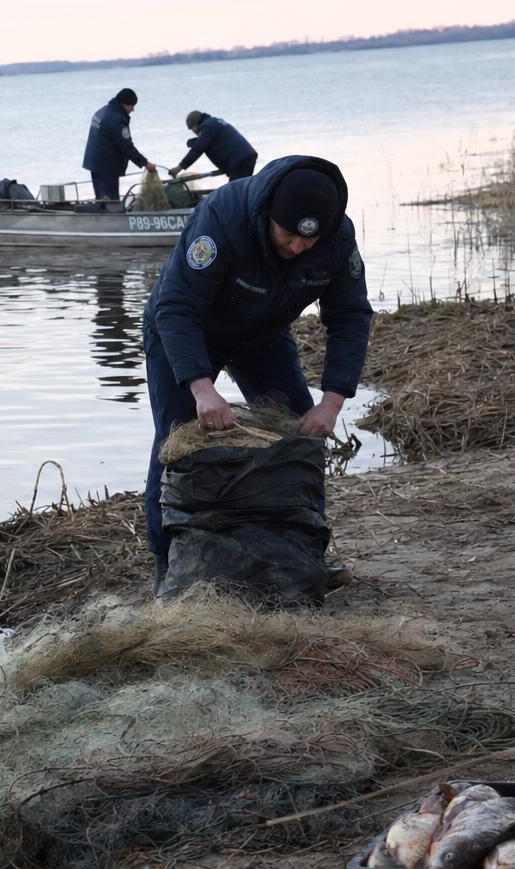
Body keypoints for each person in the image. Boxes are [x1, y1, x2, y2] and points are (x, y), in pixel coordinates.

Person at [141, 155, 373, 590]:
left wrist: (332, 400)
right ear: (268, 214)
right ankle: (166, 561)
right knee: (175, 440)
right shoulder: (222, 217)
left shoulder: (338, 238)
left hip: (262, 336)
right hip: (186, 330)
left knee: (300, 436)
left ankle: (305, 553)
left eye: (309, 240)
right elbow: (177, 306)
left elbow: (351, 317)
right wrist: (201, 388)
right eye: (289, 236)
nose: (298, 248)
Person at [82, 88, 156, 201]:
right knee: (110, 202)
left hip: (94, 162)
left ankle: (102, 211)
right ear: (125, 104)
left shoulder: (102, 111)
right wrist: (145, 163)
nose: (133, 109)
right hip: (106, 166)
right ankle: (109, 212)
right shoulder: (117, 119)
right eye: (132, 106)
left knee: (101, 199)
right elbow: (126, 147)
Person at [168, 111, 257, 181]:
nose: (194, 132)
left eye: (192, 129)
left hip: (239, 160)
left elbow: (197, 150)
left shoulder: (207, 127)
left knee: (236, 191)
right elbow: (215, 141)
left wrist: (179, 167)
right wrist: (195, 141)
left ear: (195, 126)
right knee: (243, 188)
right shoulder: (213, 122)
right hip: (246, 156)